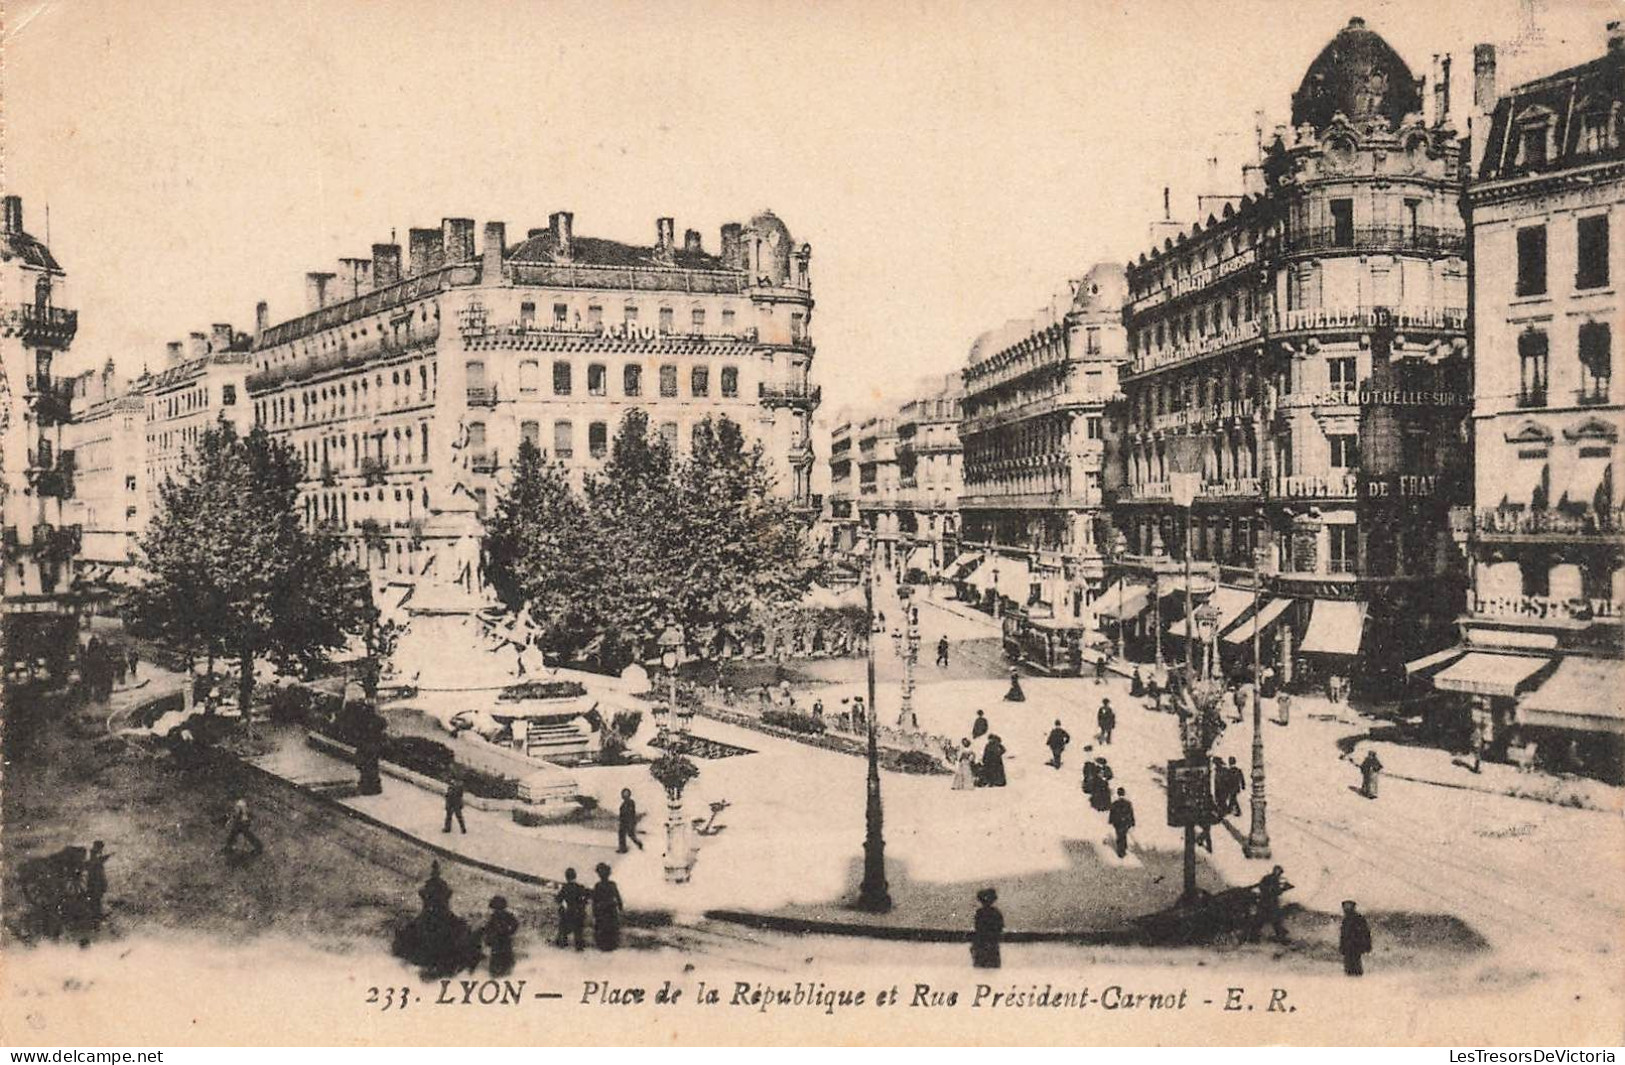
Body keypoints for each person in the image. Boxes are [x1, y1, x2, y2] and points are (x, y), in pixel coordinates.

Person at [1248, 866, 1292, 943]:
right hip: (1267, 903)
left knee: (1269, 921)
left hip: (1267, 903)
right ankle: (1253, 937)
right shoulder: (1271, 879)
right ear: (1276, 871)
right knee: (1266, 921)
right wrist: (1283, 889)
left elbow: (1265, 889)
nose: (1280, 875)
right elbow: (1272, 891)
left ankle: (1254, 937)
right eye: (1279, 872)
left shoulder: (1269, 878)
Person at [481, 896, 520, 977]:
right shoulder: (496, 917)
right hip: (499, 943)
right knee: (501, 962)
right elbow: (488, 929)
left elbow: (515, 925)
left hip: (502, 942)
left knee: (501, 962)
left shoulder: (503, 916)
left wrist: (508, 932)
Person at [554, 868, 590, 951]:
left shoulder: (565, 887)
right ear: (575, 876)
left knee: (563, 928)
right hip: (579, 912)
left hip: (569, 912)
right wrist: (583, 904)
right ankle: (579, 947)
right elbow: (587, 896)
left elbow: (558, 899)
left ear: (566, 877)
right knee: (578, 932)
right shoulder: (580, 887)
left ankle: (562, 944)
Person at [591, 863, 624, 952]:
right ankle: (611, 943)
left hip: (601, 909)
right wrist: (620, 906)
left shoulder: (598, 885)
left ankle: (603, 944)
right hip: (611, 909)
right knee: (611, 926)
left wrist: (594, 911)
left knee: (602, 926)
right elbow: (618, 897)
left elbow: (595, 900)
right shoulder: (612, 884)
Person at [971, 888, 1004, 969]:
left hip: (983, 944)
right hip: (991, 944)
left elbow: (978, 928)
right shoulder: (996, 912)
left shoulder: (980, 912)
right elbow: (1000, 927)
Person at [1339, 899, 1372, 976]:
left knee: (1356, 967)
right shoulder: (1345, 920)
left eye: (1348, 906)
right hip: (1348, 947)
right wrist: (1342, 946)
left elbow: (1366, 933)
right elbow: (1343, 935)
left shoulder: (1359, 919)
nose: (1346, 908)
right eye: (1345, 906)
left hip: (1356, 946)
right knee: (1349, 968)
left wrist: (1367, 945)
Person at [84, 841, 111, 920]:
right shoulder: (94, 855)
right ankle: (96, 915)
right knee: (95, 898)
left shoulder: (94, 855)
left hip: (95, 880)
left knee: (96, 898)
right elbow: (95, 863)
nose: (101, 850)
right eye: (101, 848)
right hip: (95, 881)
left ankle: (96, 914)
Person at [1107, 787, 1135, 858]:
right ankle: (1123, 848)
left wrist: (1111, 821)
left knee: (1119, 835)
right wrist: (1132, 822)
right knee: (1124, 835)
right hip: (1125, 822)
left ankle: (1120, 850)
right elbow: (1131, 813)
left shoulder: (1115, 803)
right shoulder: (1128, 803)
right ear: (1124, 793)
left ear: (1118, 793)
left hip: (1117, 822)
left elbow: (1112, 813)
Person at [617, 788, 644, 852]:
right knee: (621, 834)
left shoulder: (631, 802)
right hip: (623, 821)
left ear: (629, 794)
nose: (625, 795)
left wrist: (631, 822)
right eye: (624, 793)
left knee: (631, 834)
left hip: (629, 821)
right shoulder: (623, 804)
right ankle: (622, 848)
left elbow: (631, 812)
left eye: (626, 794)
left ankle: (639, 843)